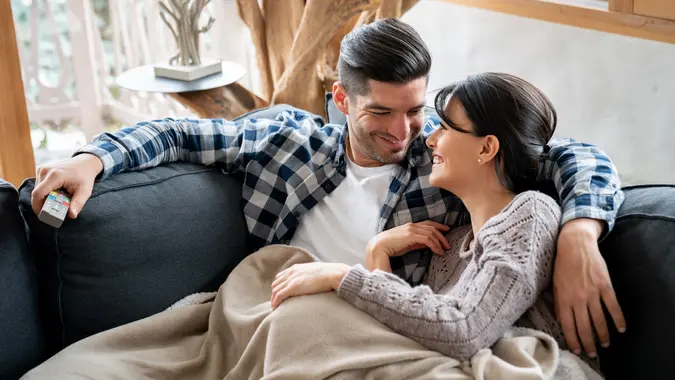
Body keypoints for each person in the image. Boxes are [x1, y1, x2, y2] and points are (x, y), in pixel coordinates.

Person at [31, 18, 625, 358]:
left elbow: (567, 155)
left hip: (375, 331)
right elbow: (182, 132)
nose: (403, 132)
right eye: (381, 114)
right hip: (279, 311)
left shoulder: (447, 158)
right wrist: (92, 159)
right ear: (341, 100)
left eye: (416, 110)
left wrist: (580, 231)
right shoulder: (286, 140)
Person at [269, 73, 601, 376]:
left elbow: (464, 329)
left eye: (445, 128)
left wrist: (341, 275)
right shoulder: (450, 246)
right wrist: (378, 249)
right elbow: (408, 333)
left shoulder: (530, 213)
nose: (430, 140)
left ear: (486, 148)